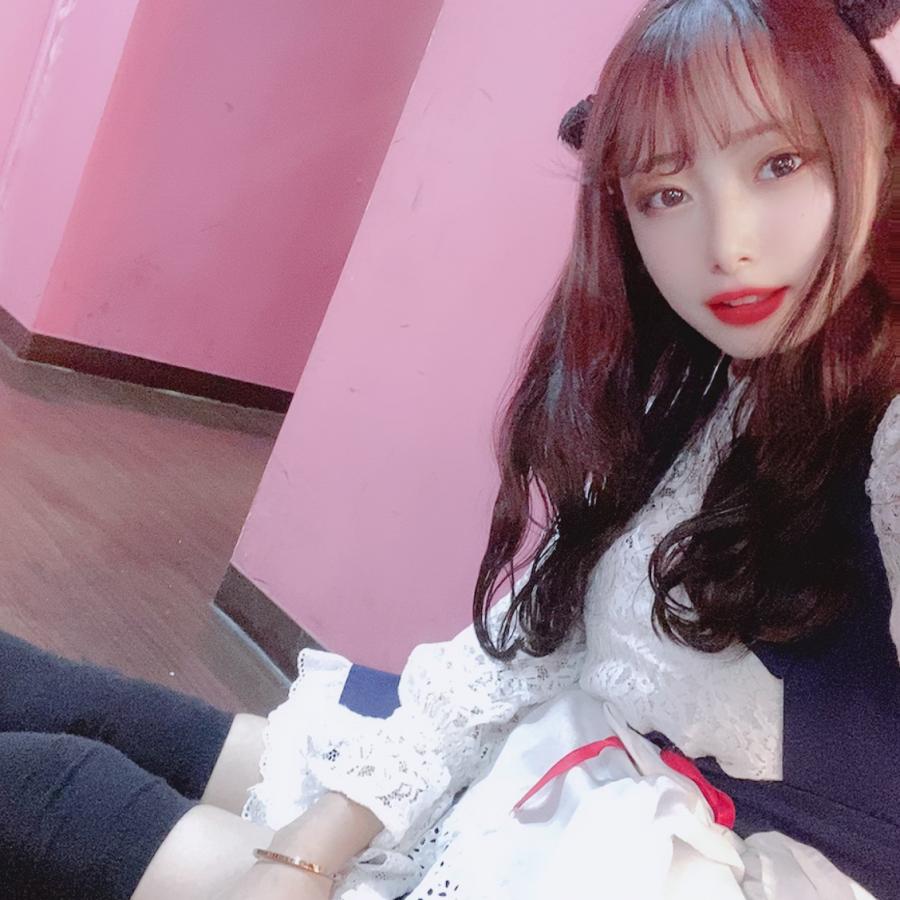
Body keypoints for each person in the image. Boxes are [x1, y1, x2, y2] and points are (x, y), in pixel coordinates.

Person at [2, 0, 896, 898]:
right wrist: (312, 843)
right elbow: (535, 636)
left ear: (880, 139)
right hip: (550, 772)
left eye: (779, 163)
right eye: (666, 194)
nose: (728, 244)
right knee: (65, 705)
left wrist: (299, 865)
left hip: (652, 866)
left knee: (48, 788)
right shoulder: (711, 391)